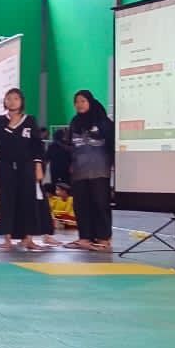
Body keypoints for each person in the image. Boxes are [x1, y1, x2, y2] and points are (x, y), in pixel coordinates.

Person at [0, 88, 46, 251]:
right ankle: (7, 237)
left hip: (26, 165)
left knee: (28, 200)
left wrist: (38, 165)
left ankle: (28, 238)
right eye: (9, 98)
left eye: (16, 98)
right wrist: (12, 125)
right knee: (7, 200)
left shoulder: (30, 120)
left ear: (21, 101)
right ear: (4, 101)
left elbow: (37, 145)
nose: (12, 101)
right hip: (6, 164)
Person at [67, 90, 114, 251]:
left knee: (100, 204)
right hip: (79, 171)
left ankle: (103, 238)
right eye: (77, 102)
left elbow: (111, 144)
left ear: (90, 102)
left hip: (99, 170)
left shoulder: (103, 121)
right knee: (81, 206)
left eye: (83, 101)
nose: (79, 105)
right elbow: (70, 145)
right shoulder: (74, 122)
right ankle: (85, 237)